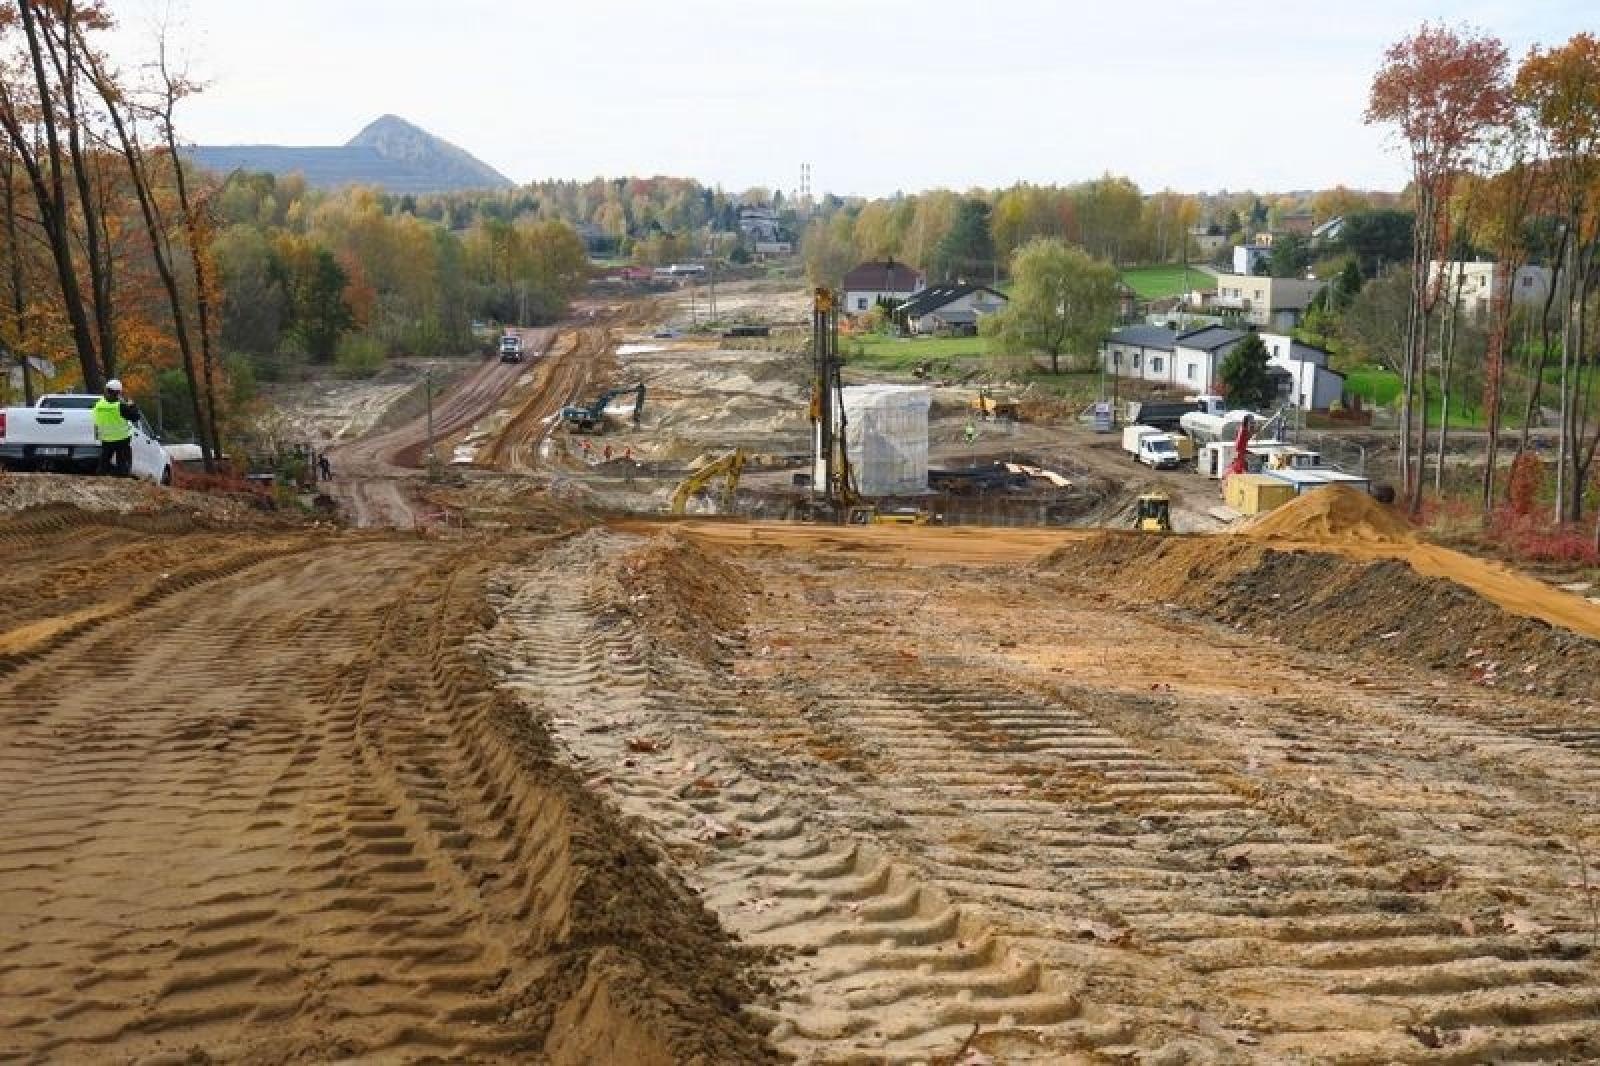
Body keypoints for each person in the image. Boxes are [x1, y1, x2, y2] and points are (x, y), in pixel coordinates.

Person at [93, 378, 139, 477]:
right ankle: (121, 478)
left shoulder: (98, 404)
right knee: (122, 462)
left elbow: (96, 420)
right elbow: (135, 417)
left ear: (107, 390)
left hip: (105, 438)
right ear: (118, 392)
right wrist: (132, 405)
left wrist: (97, 435)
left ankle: (100, 477)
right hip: (121, 438)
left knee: (104, 461)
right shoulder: (120, 406)